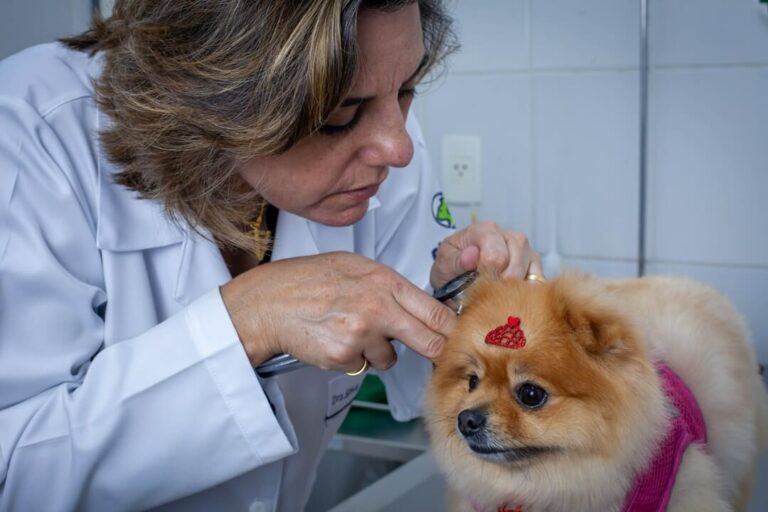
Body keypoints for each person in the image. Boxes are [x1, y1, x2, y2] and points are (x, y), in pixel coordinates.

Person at [0, 1, 542, 510]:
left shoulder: (377, 131)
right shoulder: (31, 135)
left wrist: (462, 303)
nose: (397, 148)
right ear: (211, 89)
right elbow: (14, 473)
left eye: (408, 89)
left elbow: (434, 386)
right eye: (338, 115)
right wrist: (247, 324)